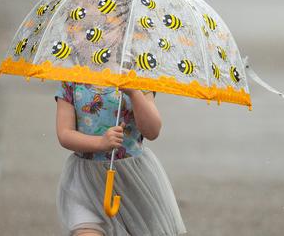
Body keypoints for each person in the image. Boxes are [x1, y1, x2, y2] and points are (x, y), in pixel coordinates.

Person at [55, 82, 186, 236]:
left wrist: (135, 93)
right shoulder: (71, 78)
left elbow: (152, 131)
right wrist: (100, 143)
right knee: (86, 230)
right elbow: (64, 134)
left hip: (131, 180)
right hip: (87, 181)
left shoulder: (138, 75)